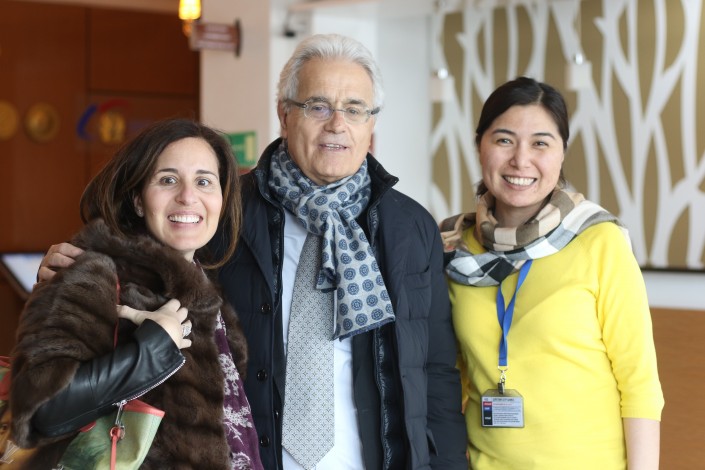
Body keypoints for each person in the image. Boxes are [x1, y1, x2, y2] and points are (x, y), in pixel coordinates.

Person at [38, 34, 467, 469]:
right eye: (318, 106)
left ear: (371, 124)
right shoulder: (226, 211)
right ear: (284, 114)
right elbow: (146, 247)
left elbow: (435, 372)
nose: (337, 124)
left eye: (355, 109)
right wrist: (83, 266)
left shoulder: (411, 227)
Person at [10, 118, 263, 469]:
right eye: (168, 180)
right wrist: (152, 349)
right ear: (138, 200)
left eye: (204, 181)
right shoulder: (94, 273)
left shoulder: (208, 291)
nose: (188, 196)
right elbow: (39, 412)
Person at [439, 76, 664, 469]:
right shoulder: (451, 247)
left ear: (561, 154)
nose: (521, 160)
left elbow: (638, 381)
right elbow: (447, 375)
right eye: (504, 140)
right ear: (479, 146)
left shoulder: (599, 241)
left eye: (540, 143)